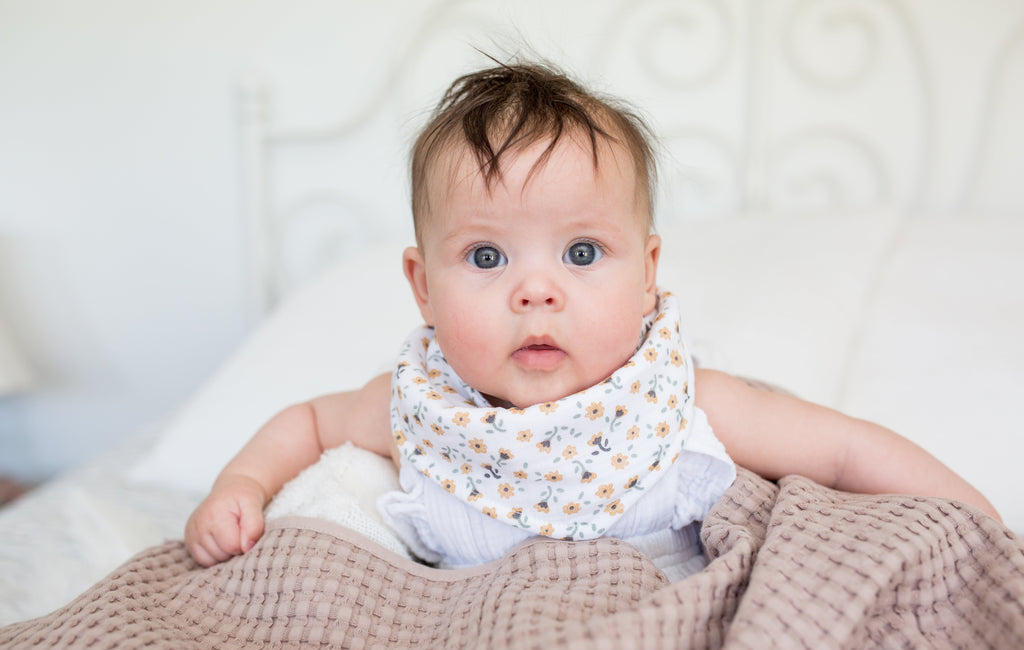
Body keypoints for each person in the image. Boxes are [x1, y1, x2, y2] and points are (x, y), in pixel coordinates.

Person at [185, 60, 1000, 572]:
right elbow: (302, 421)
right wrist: (241, 486)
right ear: (421, 286)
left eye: (581, 254)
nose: (536, 292)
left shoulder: (685, 404)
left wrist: (981, 521)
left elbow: (848, 448)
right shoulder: (416, 411)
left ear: (648, 276)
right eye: (486, 257)